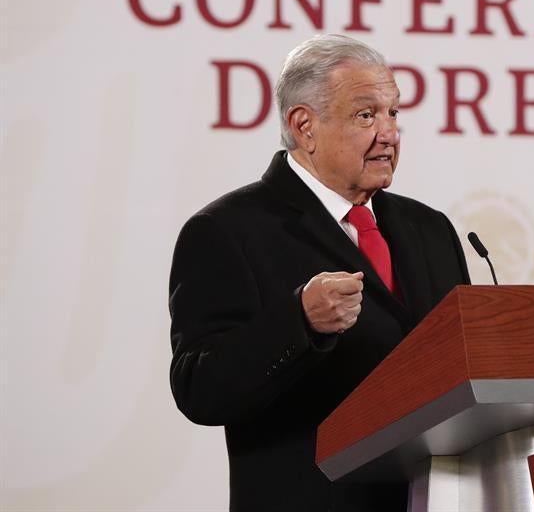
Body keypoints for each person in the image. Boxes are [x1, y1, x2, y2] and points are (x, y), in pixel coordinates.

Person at [168, 34, 470, 511]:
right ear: (304, 126)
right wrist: (298, 321)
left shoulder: (430, 229)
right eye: (366, 115)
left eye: (393, 113)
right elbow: (198, 390)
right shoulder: (227, 231)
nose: (389, 133)